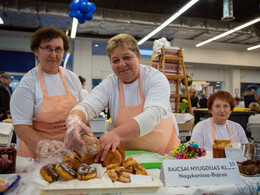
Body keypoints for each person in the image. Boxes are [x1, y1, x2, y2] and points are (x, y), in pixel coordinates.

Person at [64, 33, 180, 161]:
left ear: (139, 57)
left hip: (164, 157)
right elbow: (87, 106)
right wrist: (75, 119)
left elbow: (152, 116)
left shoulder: (155, 78)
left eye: (127, 57)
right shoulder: (111, 83)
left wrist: (116, 134)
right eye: (115, 60)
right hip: (128, 159)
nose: (121, 64)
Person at [10, 26, 84, 158]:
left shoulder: (72, 78)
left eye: (58, 49)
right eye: (48, 48)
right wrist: (43, 145)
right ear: (36, 51)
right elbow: (21, 126)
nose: (53, 55)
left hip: (69, 154)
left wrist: (84, 136)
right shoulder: (28, 84)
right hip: (36, 157)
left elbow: (83, 111)